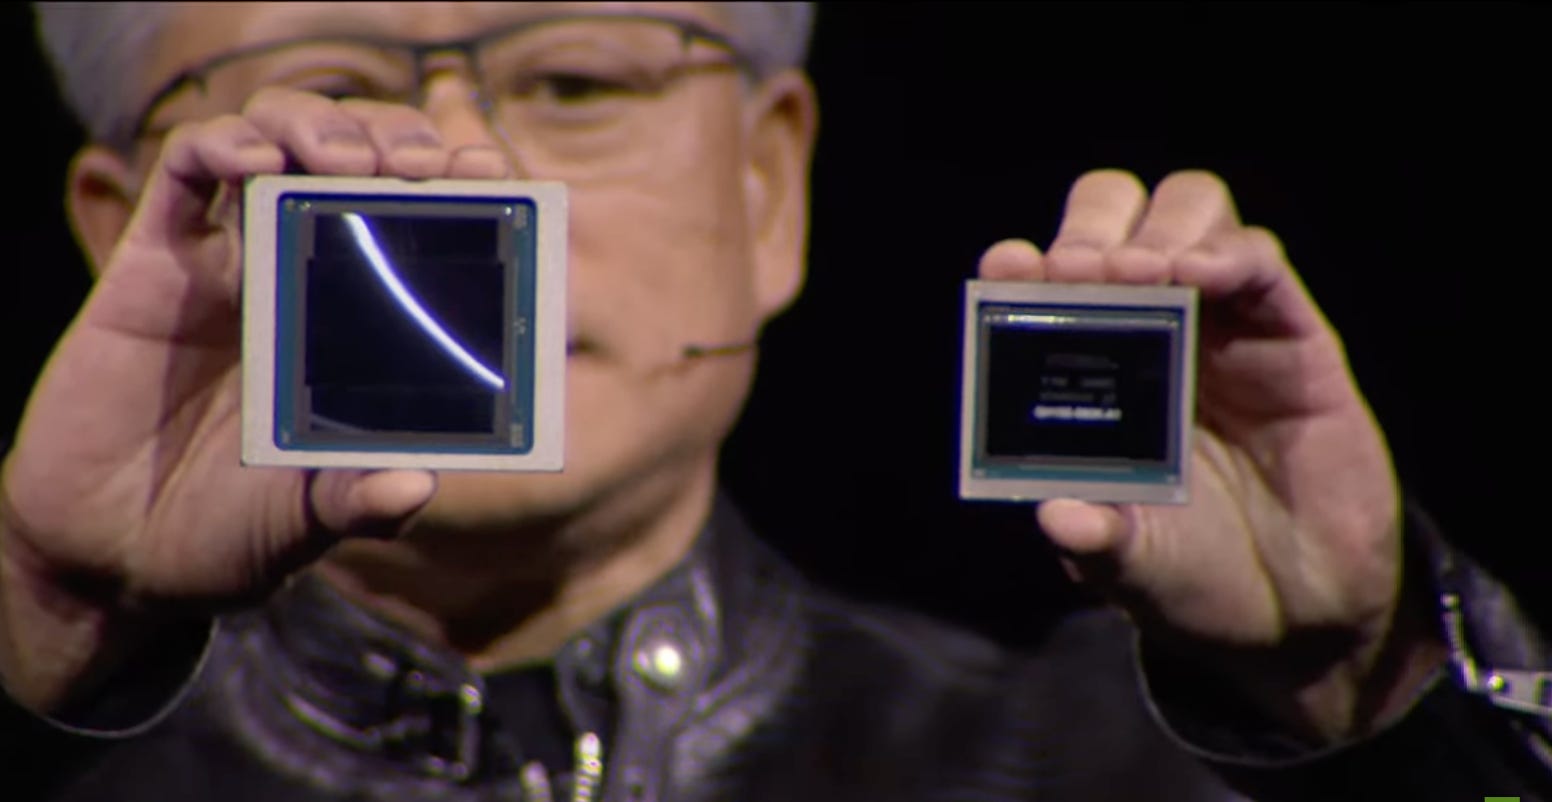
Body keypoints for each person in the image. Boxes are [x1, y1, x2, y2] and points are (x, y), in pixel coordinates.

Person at [2, 2, 1546, 800]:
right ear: (121, 227)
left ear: (770, 183)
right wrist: (36, 631)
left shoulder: (1133, 773)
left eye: (580, 83)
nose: (469, 175)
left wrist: (1374, 701)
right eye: (331, 99)